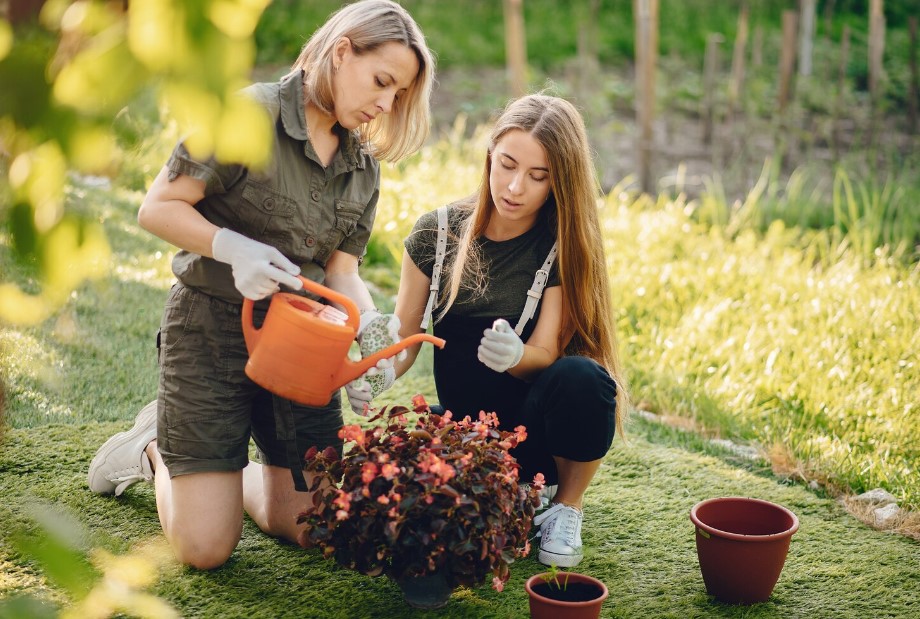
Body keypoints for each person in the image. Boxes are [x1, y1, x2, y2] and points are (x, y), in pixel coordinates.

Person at [87, 0, 435, 570]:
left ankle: (216, 475)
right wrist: (232, 247)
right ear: (341, 51)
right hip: (211, 331)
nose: (385, 104)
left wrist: (371, 328)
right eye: (381, 82)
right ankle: (153, 448)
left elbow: (342, 271)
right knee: (206, 549)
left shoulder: (362, 166)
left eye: (398, 95)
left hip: (301, 345)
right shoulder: (248, 115)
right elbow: (158, 207)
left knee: (316, 526)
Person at [355, 94, 628, 568]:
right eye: (507, 165)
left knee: (585, 378)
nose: (516, 187)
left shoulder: (561, 246)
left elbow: (545, 352)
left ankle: (565, 506)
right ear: (489, 156)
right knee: (385, 486)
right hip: (465, 429)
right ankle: (507, 490)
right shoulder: (435, 233)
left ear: (559, 182)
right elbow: (405, 338)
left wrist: (515, 356)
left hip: (535, 436)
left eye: (538, 176)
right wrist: (379, 371)